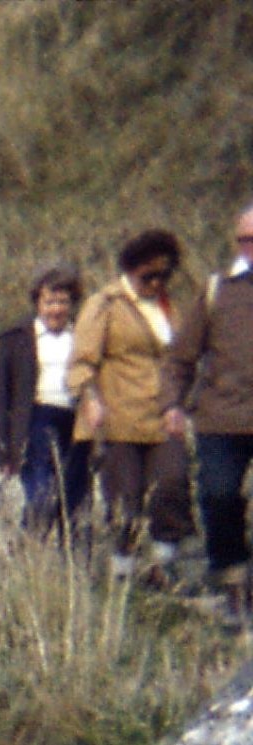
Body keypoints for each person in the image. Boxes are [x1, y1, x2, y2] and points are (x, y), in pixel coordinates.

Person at [70, 229, 197, 578]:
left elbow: (183, 358)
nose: (156, 283)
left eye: (164, 275)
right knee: (124, 500)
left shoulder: (170, 308)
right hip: (120, 417)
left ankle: (164, 565)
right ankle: (122, 572)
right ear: (130, 271)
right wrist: (90, 399)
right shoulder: (105, 305)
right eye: (148, 276)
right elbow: (82, 361)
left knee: (172, 484)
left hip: (163, 414)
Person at [164, 202, 253, 626]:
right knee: (218, 495)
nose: (250, 246)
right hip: (220, 418)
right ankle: (232, 581)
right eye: (244, 239)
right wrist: (173, 404)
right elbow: (182, 356)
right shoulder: (218, 290)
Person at [0, 263, 90, 538]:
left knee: (75, 503)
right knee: (41, 495)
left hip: (76, 424)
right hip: (36, 421)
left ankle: (71, 567)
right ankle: (29, 550)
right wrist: (2, 449)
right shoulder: (17, 338)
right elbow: (0, 397)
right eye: (49, 302)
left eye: (62, 302)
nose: (56, 309)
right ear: (37, 303)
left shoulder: (84, 335)